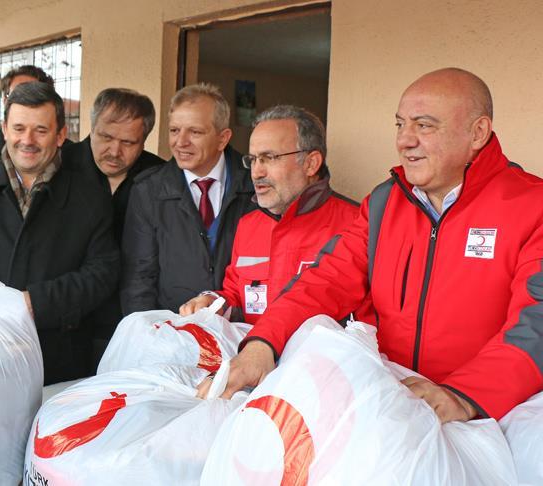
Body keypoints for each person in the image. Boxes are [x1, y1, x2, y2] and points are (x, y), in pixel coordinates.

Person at [213, 68, 543, 423]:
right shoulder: (385, 203)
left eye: (424, 125)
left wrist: (465, 396)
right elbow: (324, 281)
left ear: (477, 132)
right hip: (393, 407)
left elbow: (536, 323)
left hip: (490, 415)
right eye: (400, 124)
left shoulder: (531, 205)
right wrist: (263, 344)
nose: (404, 140)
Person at [0, 82, 119, 385]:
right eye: (18, 128)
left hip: (58, 358)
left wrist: (37, 303)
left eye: (40, 131)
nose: (27, 140)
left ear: (60, 136)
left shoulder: (91, 195)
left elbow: (102, 273)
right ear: (4, 129)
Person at [179, 105, 370, 324]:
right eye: (252, 160)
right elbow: (236, 296)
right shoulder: (249, 225)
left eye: (269, 158)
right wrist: (213, 302)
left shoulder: (359, 224)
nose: (256, 172)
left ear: (311, 163)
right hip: (251, 356)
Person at [120, 83, 256, 315]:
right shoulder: (148, 191)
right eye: (174, 130)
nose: (180, 142)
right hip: (173, 333)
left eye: (195, 132)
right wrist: (148, 334)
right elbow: (139, 278)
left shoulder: (255, 184)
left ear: (223, 139)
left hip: (241, 331)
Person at [62, 88, 164, 367]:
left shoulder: (159, 178)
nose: (114, 151)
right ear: (91, 127)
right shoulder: (60, 168)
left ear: (144, 140)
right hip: (65, 322)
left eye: (128, 142)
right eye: (105, 137)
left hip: (130, 321)